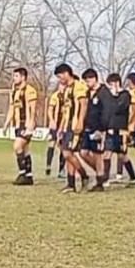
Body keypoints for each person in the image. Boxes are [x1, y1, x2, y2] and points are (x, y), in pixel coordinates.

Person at [55, 64, 90, 193]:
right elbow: (66, 111)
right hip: (68, 125)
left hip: (75, 124)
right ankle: (71, 184)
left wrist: (80, 122)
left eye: (60, 76)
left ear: (66, 73)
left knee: (67, 153)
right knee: (68, 154)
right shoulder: (66, 90)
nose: (59, 79)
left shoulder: (78, 86)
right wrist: (61, 128)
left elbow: (83, 104)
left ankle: (84, 176)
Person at [3, 67, 39, 185]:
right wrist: (6, 124)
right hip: (18, 125)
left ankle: (22, 173)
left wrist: (30, 126)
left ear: (23, 77)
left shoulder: (30, 91)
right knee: (25, 150)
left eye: (16, 76)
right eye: (14, 76)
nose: (14, 78)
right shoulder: (14, 91)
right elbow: (11, 108)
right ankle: (29, 176)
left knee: (17, 146)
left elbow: (33, 110)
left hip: (27, 124)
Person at [80, 68, 113, 192]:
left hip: (98, 129)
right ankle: (101, 173)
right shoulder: (88, 93)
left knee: (97, 154)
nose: (87, 83)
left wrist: (102, 129)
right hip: (87, 127)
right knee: (83, 152)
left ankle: (99, 181)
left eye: (88, 80)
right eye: (85, 81)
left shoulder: (104, 93)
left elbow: (107, 112)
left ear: (94, 79)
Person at [104, 73, 135, 186]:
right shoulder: (110, 97)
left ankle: (133, 177)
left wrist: (113, 98)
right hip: (110, 130)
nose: (110, 88)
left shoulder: (125, 95)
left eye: (111, 85)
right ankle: (105, 179)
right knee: (107, 154)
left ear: (117, 83)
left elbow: (118, 108)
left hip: (121, 131)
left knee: (123, 156)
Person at [45, 82, 66, 177]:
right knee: (51, 144)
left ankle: (61, 170)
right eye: (61, 85)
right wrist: (52, 120)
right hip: (55, 125)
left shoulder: (68, 97)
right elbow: (50, 110)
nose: (63, 87)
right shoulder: (55, 96)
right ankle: (48, 165)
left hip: (64, 125)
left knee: (62, 148)